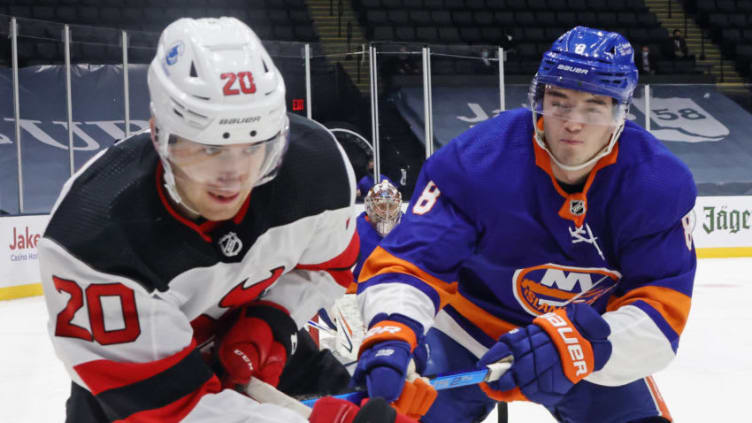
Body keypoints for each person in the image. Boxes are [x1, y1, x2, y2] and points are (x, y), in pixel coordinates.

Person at [38, 17, 415, 423]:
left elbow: (328, 267)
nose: (234, 175)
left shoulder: (316, 170)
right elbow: (173, 411)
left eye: (254, 147)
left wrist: (272, 321)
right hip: (145, 391)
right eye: (209, 149)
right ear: (161, 137)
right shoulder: (92, 237)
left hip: (259, 353)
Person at [353, 26, 696, 423]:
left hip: (580, 340)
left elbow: (660, 312)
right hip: (466, 330)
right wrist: (393, 330)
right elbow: (412, 263)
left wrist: (581, 343)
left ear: (620, 112)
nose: (572, 122)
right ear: (539, 98)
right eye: (560, 102)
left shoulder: (657, 183)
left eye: (593, 107)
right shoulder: (477, 159)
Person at [354, 179, 403, 280]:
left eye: (391, 206)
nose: (387, 212)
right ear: (370, 206)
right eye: (381, 206)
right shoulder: (357, 229)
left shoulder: (408, 226)